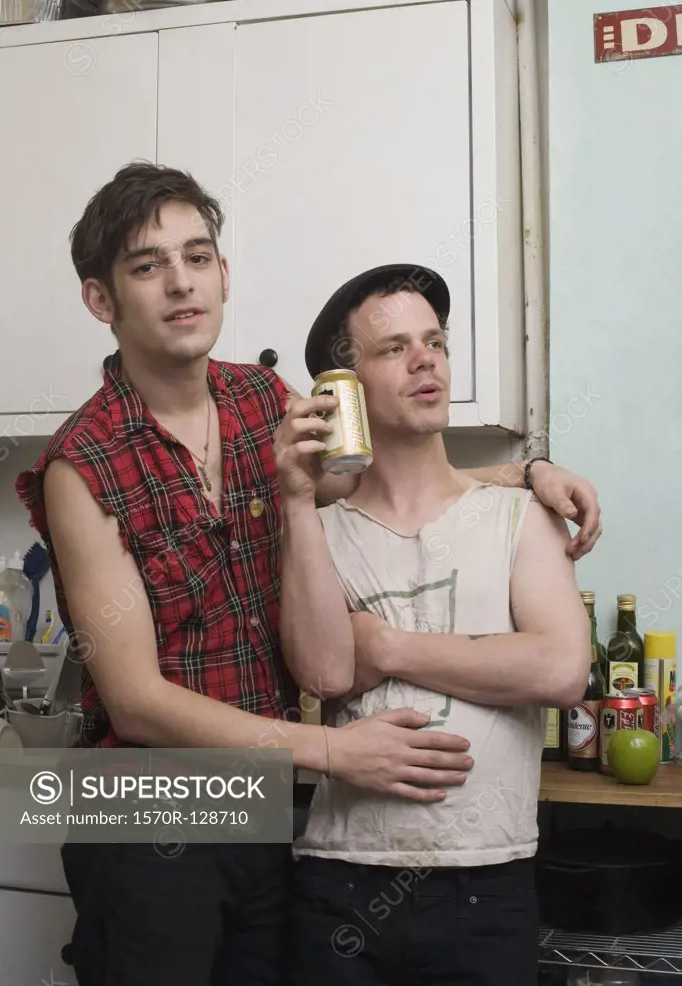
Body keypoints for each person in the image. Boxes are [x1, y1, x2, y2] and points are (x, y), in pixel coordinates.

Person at [15, 166, 597, 986]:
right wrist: (333, 750)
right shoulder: (85, 462)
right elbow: (138, 702)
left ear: (223, 272)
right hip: (143, 803)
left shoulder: (264, 404)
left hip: (260, 805)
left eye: (199, 256)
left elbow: (380, 483)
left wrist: (528, 474)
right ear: (101, 301)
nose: (182, 282)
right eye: (148, 266)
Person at [277, 263, 594, 986]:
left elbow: (559, 670)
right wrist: (296, 499)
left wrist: (385, 645)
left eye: (436, 342)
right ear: (344, 388)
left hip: (487, 886)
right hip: (340, 882)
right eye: (394, 348)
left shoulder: (522, 516)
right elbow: (326, 672)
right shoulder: (319, 533)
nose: (426, 360)